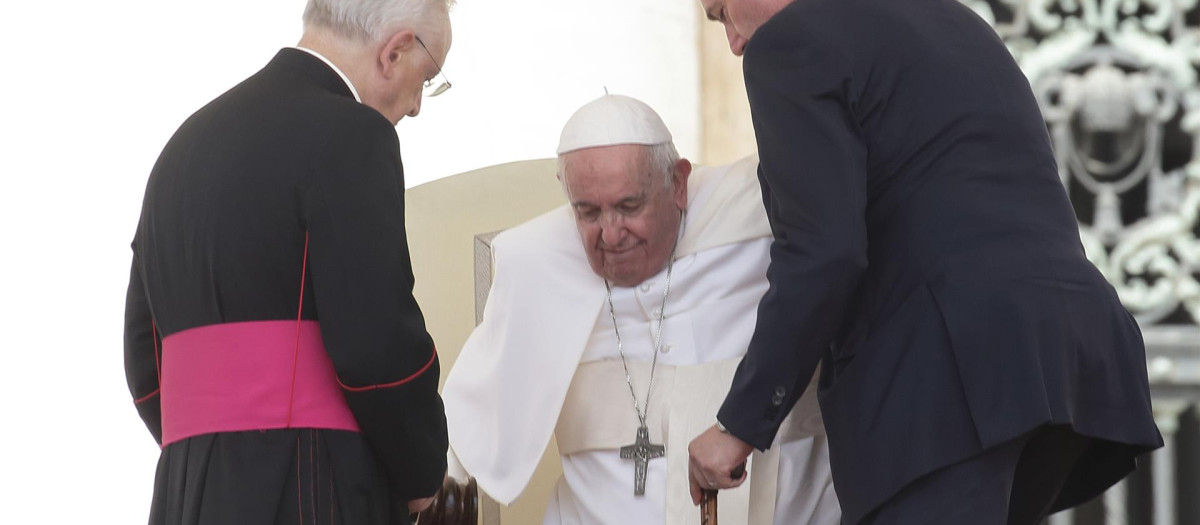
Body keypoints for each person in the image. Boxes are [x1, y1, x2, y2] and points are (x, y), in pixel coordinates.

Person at [686, 0, 1164, 523]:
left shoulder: (790, 40)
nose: (732, 40)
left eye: (722, 11)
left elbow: (823, 253)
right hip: (1066, 358)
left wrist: (739, 426)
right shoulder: (955, 18)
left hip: (943, 382)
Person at [123, 1, 453, 523]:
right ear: (395, 51)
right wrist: (422, 475)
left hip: (186, 494)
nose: (416, 107)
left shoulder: (181, 147)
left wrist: (216, 445)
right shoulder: (354, 134)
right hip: (311, 486)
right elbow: (376, 349)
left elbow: (145, 360)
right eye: (427, 79)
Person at [442, 94, 840, 525]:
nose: (610, 234)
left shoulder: (757, 212)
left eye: (629, 207)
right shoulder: (536, 262)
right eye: (588, 212)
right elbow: (467, 416)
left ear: (679, 184)